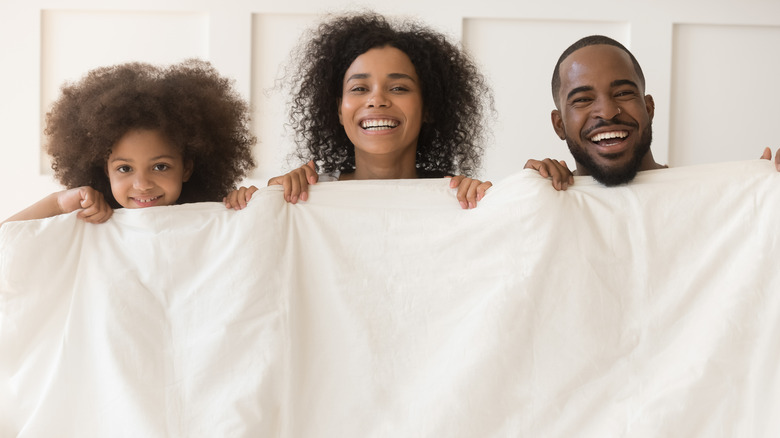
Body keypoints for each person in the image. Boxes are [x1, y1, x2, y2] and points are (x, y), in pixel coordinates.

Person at [224, 12, 493, 210]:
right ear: (339, 111)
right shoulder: (306, 194)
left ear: (428, 108)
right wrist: (262, 202)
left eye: (398, 88)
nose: (377, 100)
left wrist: (486, 202)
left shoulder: (458, 196)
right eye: (359, 89)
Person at [2, 60, 256, 225]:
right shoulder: (91, 221)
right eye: (125, 168)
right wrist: (58, 203)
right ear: (106, 170)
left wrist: (250, 207)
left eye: (160, 167)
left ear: (187, 168)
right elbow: (7, 240)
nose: (142, 185)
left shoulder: (212, 217)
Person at [525, 35, 779, 190]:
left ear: (648, 108)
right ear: (559, 125)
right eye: (583, 99)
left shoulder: (714, 197)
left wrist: (761, 194)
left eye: (623, 93)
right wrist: (516, 195)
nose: (607, 112)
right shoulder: (544, 201)